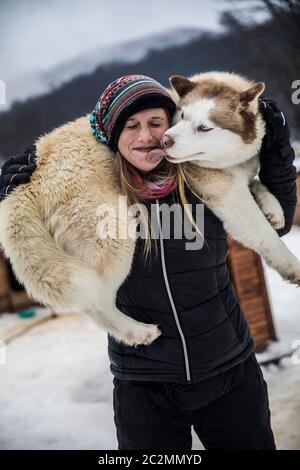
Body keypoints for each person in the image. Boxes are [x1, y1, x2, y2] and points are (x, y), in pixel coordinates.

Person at [0, 75, 297, 450]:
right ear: (112, 135)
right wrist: (14, 202)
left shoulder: (203, 177)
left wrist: (277, 154)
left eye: (156, 123)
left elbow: (279, 222)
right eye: (131, 126)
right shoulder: (92, 198)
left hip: (230, 374)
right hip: (144, 388)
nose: (145, 136)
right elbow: (30, 266)